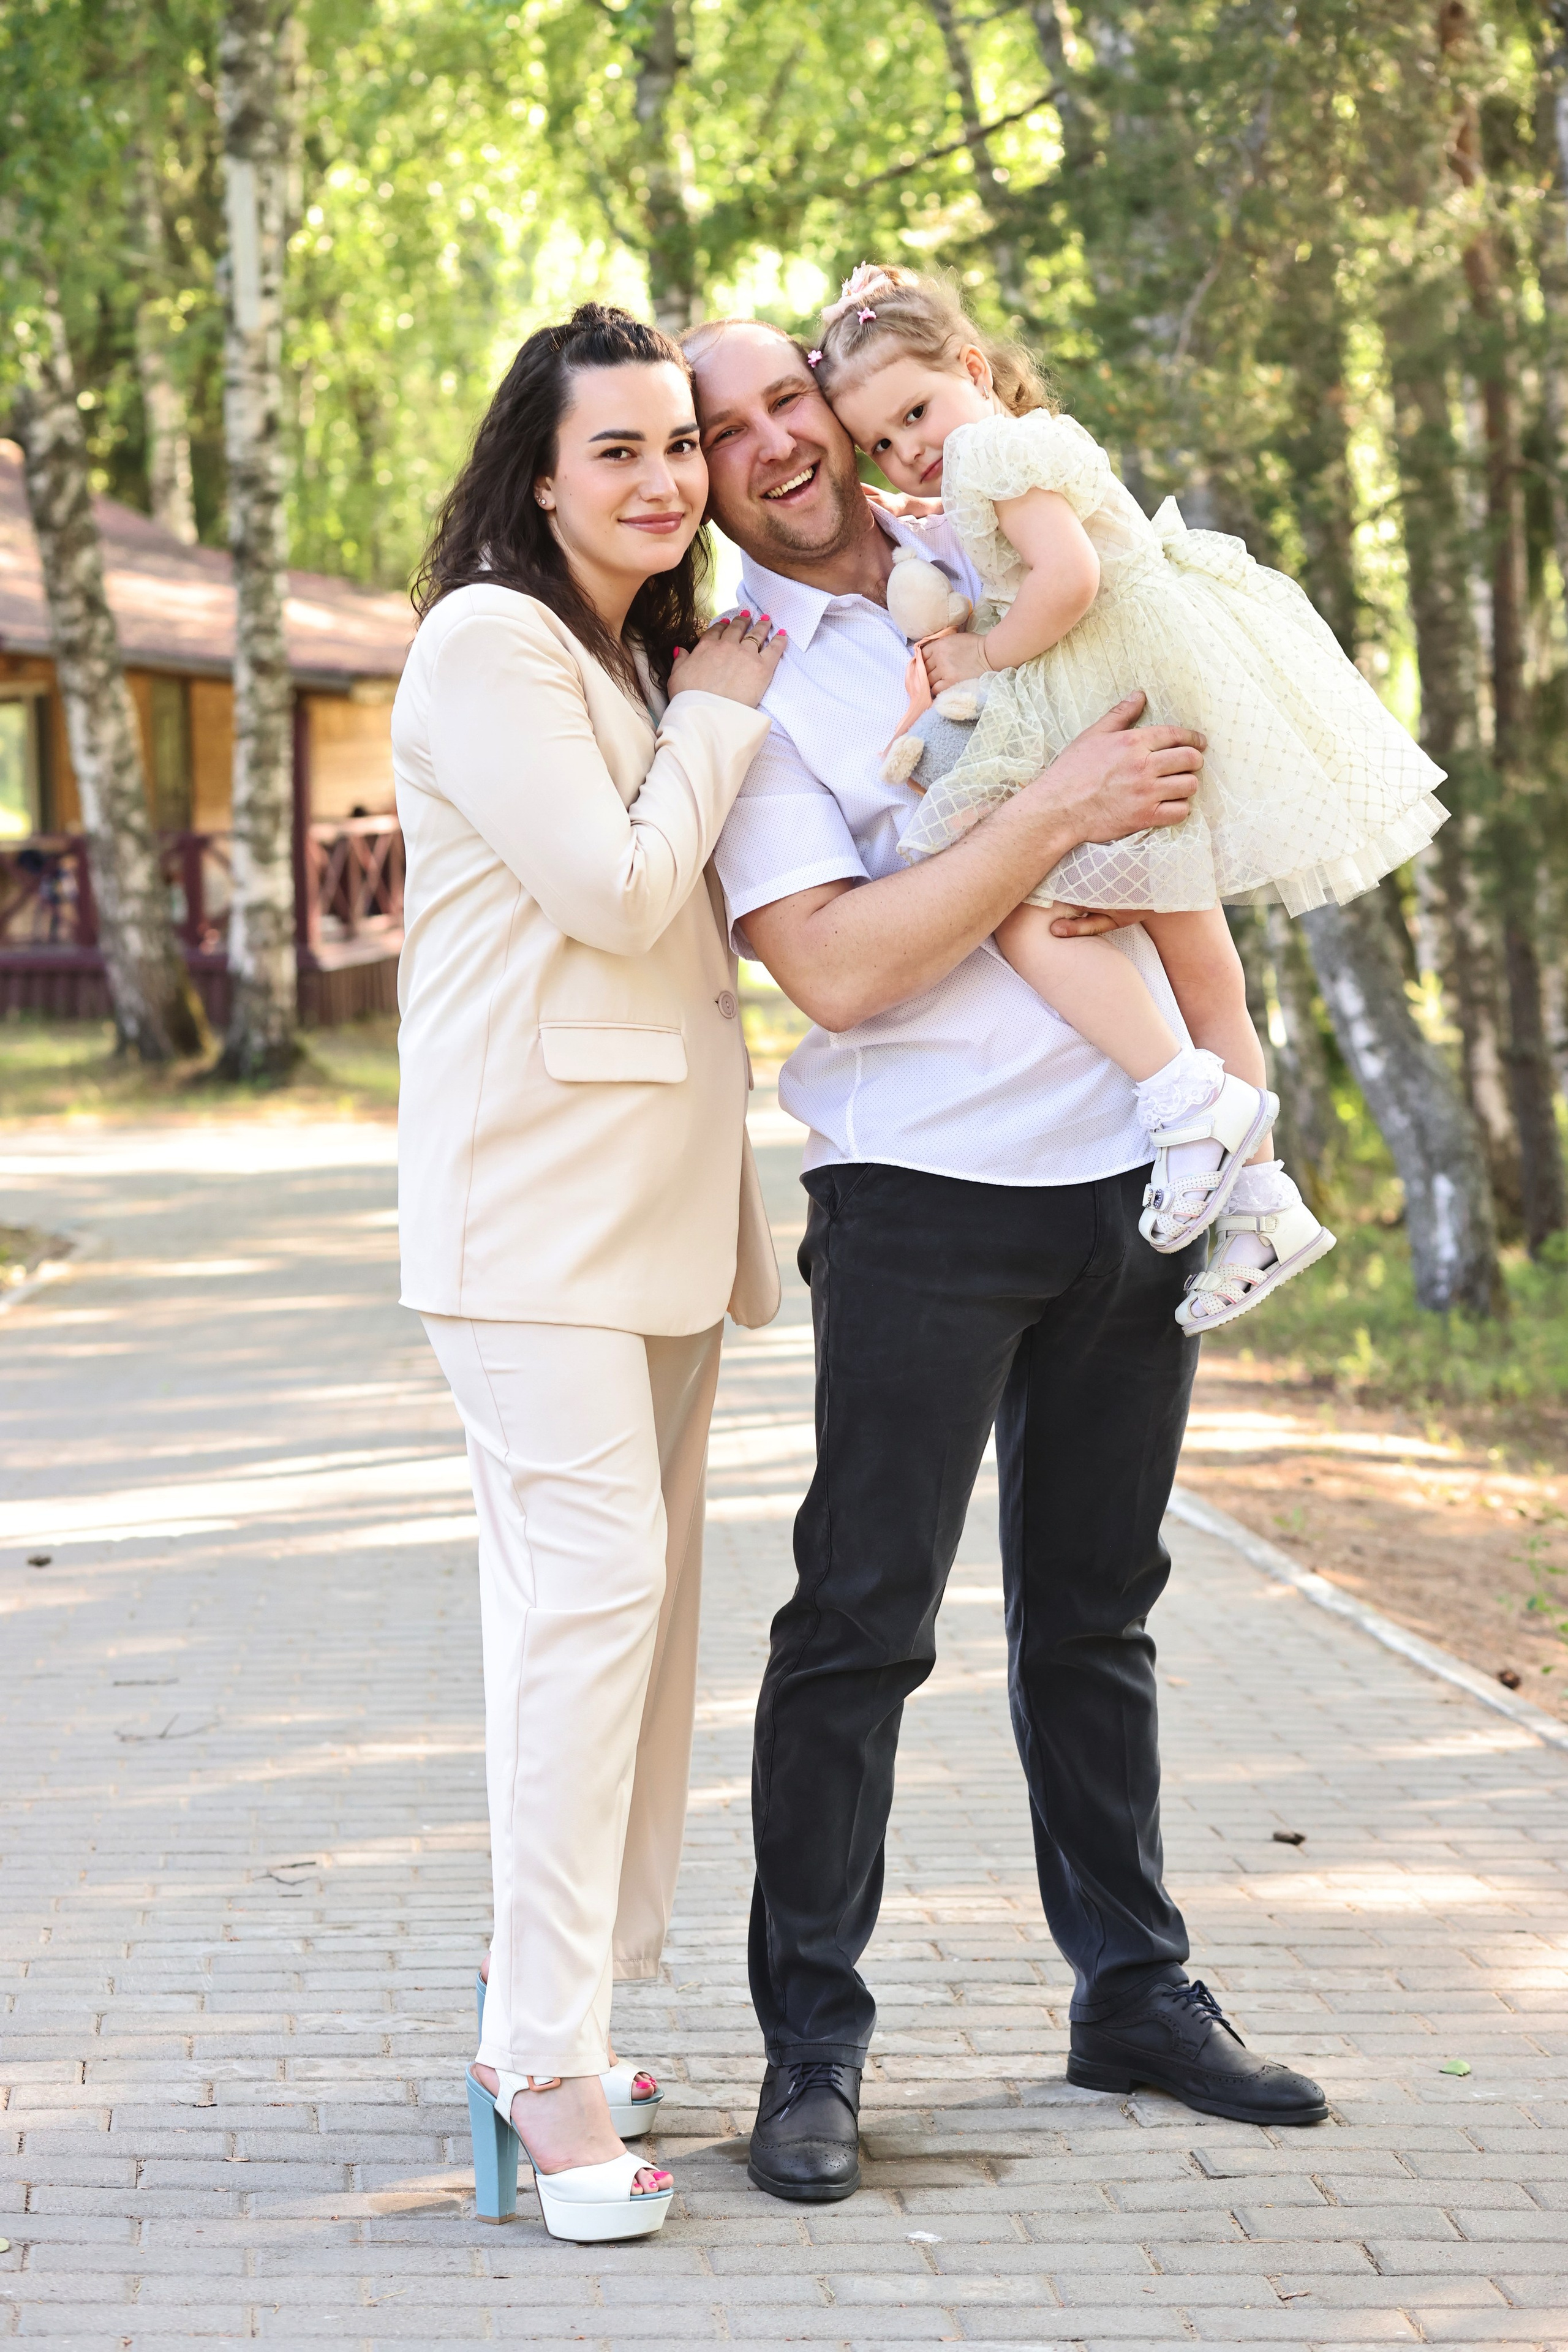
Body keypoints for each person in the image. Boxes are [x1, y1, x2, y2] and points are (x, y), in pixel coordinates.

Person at [685, 312, 1330, 2205]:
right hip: (922, 1200)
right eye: (724, 434)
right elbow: (842, 963)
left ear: (841, 404)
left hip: (1135, 1174)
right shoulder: (740, 681)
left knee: (1100, 1614)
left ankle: (1134, 1993)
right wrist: (1043, 815)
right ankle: (813, 2045)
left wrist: (1230, 1081)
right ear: (709, 478)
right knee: (862, 1624)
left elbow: (1163, 799)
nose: (774, 446)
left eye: (786, 401)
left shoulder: (1000, 547)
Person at [394, 304, 785, 2242]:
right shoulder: (491, 644)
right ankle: (536, 2063)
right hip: (530, 1221)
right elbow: (619, 892)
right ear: (537, 473)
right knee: (593, 1608)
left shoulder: (617, 654)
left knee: (627, 1627)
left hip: (652, 1226)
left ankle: (567, 2006)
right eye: (614, 449)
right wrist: (721, 710)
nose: (659, 479)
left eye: (675, 446)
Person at [807, 263, 1449, 1330]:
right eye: (880, 441)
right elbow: (1005, 518)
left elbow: (1066, 583)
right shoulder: (1001, 448)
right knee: (1204, 969)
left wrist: (980, 654)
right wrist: (918, 498)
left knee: (1026, 915)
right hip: (1146, 686)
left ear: (974, 366)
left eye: (916, 412)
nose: (910, 448)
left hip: (1104, 693)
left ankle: (1183, 1097)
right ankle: (1263, 1198)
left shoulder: (995, 450)